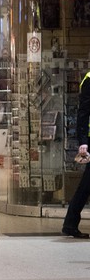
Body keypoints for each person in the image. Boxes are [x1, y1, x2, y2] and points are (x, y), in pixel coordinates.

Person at [62, 69, 90, 238]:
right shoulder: (89, 79)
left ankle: (70, 223)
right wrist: (83, 142)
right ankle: (70, 223)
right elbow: (84, 111)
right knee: (87, 183)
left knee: (87, 183)